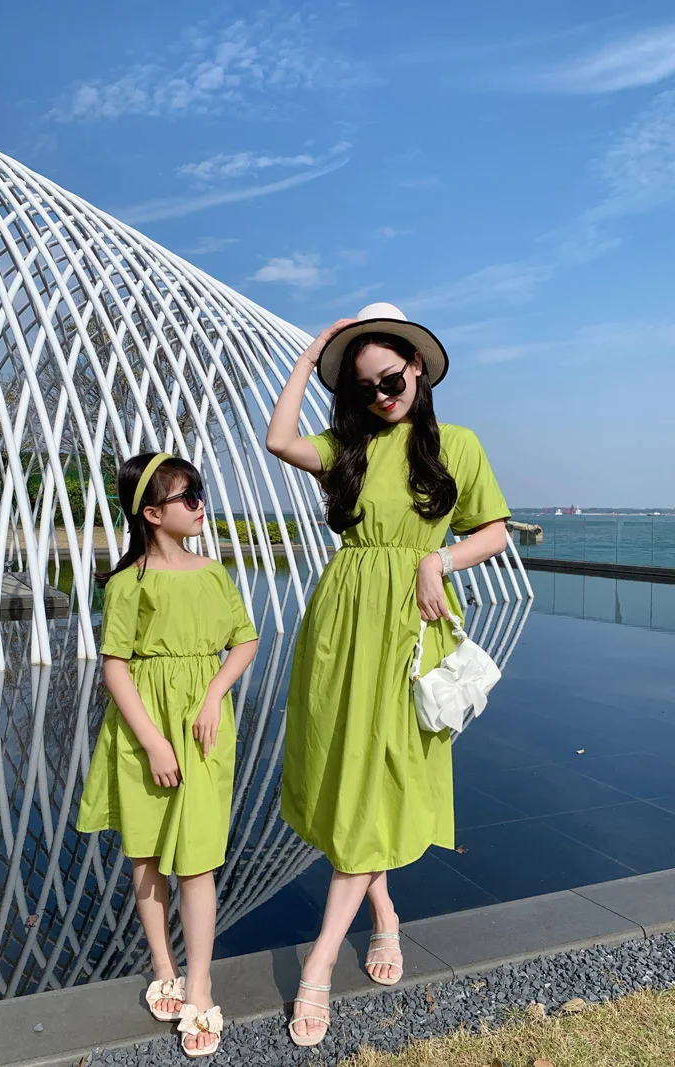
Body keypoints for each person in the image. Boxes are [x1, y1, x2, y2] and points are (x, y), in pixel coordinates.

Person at [266, 303, 510, 1048]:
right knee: (351, 780)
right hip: (342, 626)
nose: (382, 394)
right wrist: (311, 357)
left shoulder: (457, 445)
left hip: (411, 626)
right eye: (365, 385)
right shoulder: (348, 444)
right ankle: (385, 917)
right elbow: (277, 439)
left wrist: (440, 557)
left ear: (418, 371)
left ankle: (315, 969)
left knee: (379, 777)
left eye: (393, 378)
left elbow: (494, 530)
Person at [77, 452, 258, 1059]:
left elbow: (245, 639)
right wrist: (153, 740)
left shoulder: (213, 573)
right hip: (145, 729)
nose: (200, 504)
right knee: (149, 851)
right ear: (152, 513)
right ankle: (164, 964)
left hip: (204, 727)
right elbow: (115, 668)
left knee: (199, 858)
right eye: (188, 496)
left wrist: (212, 696)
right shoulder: (129, 584)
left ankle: (200, 984)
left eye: (200, 492)